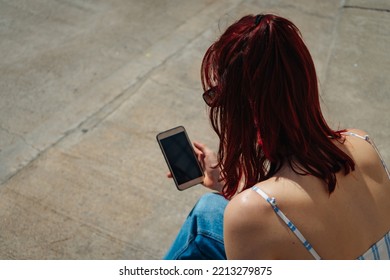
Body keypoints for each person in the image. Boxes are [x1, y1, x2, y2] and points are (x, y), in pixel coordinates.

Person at [163, 14, 390, 260]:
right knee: (209, 212)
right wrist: (222, 180)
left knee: (205, 218)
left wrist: (242, 199)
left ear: (247, 107)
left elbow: (267, 213)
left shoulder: (248, 215)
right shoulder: (361, 141)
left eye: (219, 95)